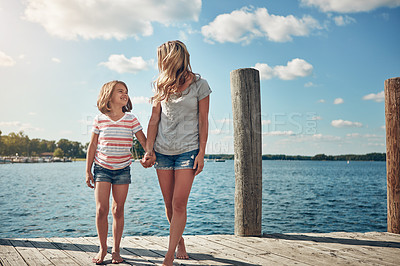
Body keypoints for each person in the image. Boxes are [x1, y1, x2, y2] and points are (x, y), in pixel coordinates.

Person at [144, 40, 211, 266]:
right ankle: (179, 240)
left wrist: (202, 153)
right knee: (168, 204)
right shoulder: (159, 86)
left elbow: (203, 121)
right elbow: (154, 120)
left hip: (188, 151)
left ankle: (169, 255)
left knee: (179, 204)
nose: (159, 62)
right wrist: (148, 149)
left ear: (171, 57)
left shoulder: (200, 85)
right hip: (162, 152)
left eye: (161, 57)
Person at [86, 80, 155, 264]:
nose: (125, 94)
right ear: (109, 96)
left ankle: (116, 250)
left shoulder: (131, 119)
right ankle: (102, 249)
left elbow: (143, 141)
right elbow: (92, 146)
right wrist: (88, 171)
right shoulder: (99, 118)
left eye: (126, 91)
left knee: (118, 210)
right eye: (120, 91)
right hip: (101, 168)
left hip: (123, 169)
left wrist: (149, 153)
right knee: (102, 209)